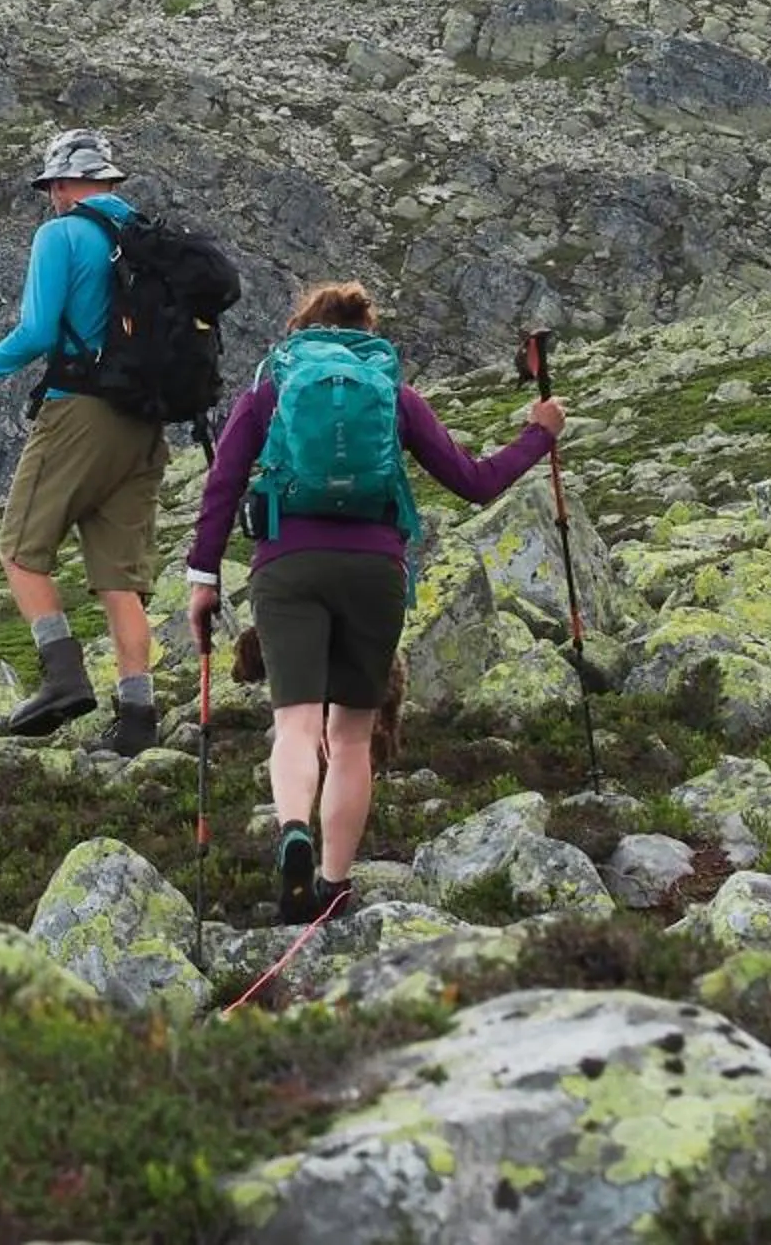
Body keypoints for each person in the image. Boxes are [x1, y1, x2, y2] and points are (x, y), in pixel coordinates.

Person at [184, 282, 566, 924]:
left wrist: (203, 580)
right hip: (374, 570)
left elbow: (222, 485)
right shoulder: (394, 396)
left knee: (298, 724)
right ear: (369, 333)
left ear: (302, 329)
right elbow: (474, 483)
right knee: (353, 736)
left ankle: (292, 832)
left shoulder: (271, 390)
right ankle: (333, 884)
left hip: (288, 565)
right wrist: (538, 434)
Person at [0, 127, 169, 753]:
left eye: (52, 187)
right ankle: (136, 718)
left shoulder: (62, 233)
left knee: (20, 547)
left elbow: (39, 331)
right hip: (145, 420)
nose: (51, 198)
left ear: (67, 183)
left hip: (80, 410)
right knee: (118, 577)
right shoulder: (145, 236)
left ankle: (64, 676)